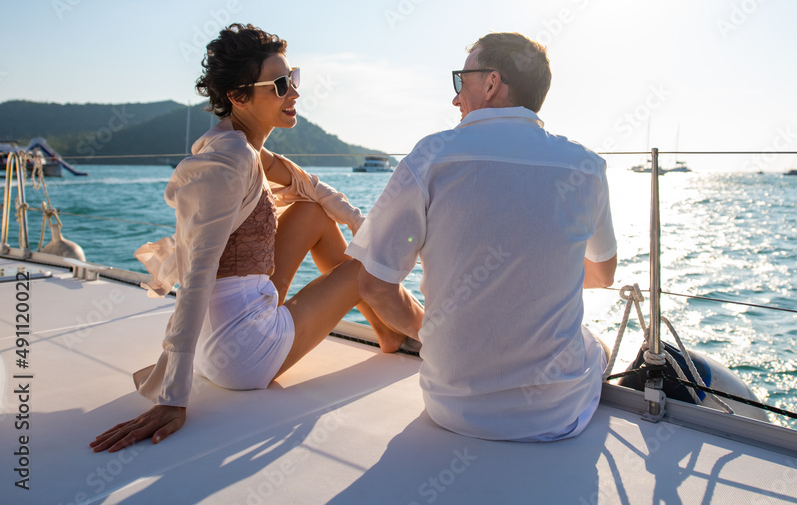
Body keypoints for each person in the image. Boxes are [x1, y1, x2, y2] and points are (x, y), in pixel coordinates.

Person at [91, 24, 405, 453]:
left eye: (294, 78)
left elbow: (304, 183)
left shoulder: (241, 145)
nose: (294, 92)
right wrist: (173, 396)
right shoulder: (229, 160)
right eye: (280, 84)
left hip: (227, 329)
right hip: (241, 351)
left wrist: (355, 219)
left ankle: (388, 332)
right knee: (365, 269)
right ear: (239, 96)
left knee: (310, 212)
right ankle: (432, 335)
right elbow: (197, 276)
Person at [349, 32, 617, 442]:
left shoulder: (430, 157)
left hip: (451, 407)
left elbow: (373, 283)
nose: (456, 98)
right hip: (556, 414)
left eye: (461, 80)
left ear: (491, 83)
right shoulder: (586, 165)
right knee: (597, 344)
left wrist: (435, 331)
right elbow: (601, 276)